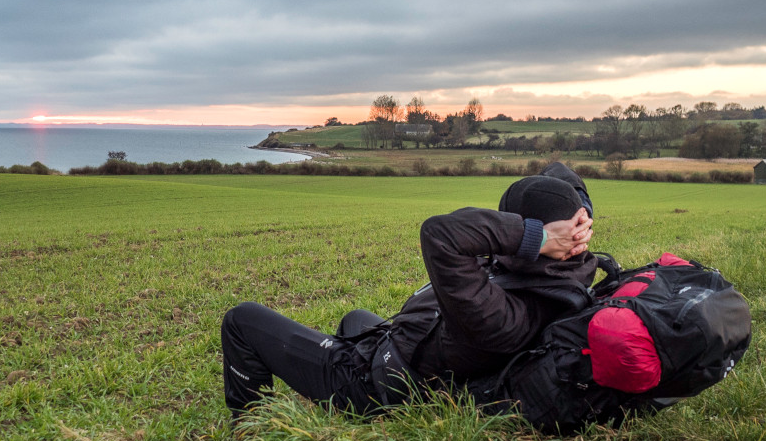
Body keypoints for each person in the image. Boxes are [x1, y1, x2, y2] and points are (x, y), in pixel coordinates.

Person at [221, 164, 598, 421]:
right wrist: (577, 210)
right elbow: (557, 177)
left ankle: (251, 434)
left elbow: (442, 234)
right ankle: (322, 379)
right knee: (354, 318)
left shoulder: (501, 314)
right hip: (403, 349)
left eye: (513, 222)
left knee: (242, 319)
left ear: (541, 237)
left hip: (374, 387)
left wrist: (536, 236)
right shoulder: (564, 274)